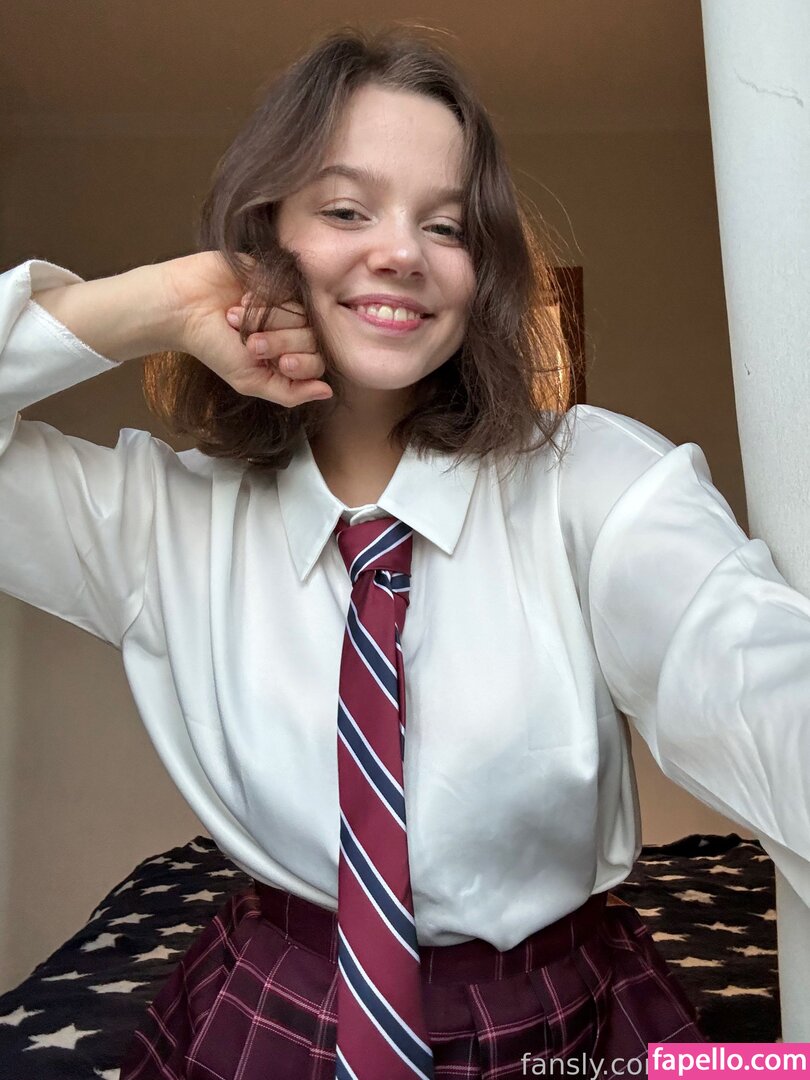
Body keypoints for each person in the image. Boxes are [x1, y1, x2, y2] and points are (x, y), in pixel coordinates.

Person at [2, 23, 809, 1080]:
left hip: (564, 1020)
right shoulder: (157, 524)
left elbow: (761, 679)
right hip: (276, 1011)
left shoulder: (595, 482)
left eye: (447, 225)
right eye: (346, 210)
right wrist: (161, 301)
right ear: (266, 237)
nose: (401, 252)